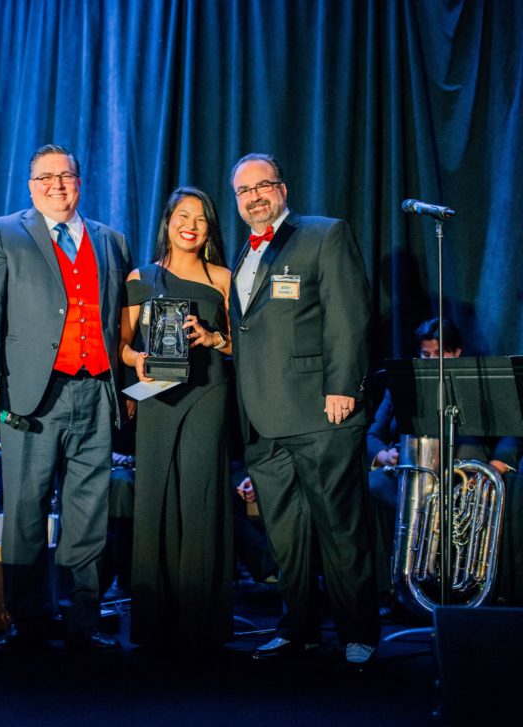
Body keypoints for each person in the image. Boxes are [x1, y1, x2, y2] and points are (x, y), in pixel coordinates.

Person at [0, 144, 132, 653]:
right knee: (25, 507)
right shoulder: (5, 233)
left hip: (96, 392)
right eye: (45, 177)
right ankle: (29, 618)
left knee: (88, 510)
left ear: (80, 182)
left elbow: (121, 321)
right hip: (29, 396)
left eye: (66, 176)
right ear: (30, 184)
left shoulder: (111, 240)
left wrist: (126, 386)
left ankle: (83, 618)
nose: (56, 184)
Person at [228, 153, 380, 669]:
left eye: (263, 186)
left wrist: (344, 387)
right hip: (263, 420)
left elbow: (349, 317)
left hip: (321, 413)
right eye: (244, 191)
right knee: (286, 536)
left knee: (340, 527)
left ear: (283, 189)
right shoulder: (242, 256)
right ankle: (300, 628)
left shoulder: (324, 235)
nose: (254, 197)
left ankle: (360, 631)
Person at [119, 187, 233, 653]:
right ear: (167, 221)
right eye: (182, 215)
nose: (191, 224)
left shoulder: (224, 278)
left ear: (209, 229)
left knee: (200, 500)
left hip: (207, 394)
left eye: (201, 218)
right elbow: (122, 344)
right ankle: (154, 623)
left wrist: (214, 338)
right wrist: (136, 359)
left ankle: (200, 627)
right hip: (155, 397)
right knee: (154, 500)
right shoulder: (140, 277)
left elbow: (242, 346)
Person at [368, 317, 521, 600]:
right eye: (426, 355)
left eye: (440, 355)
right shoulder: (403, 383)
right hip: (414, 477)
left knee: (513, 491)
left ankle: (492, 590)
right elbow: (373, 434)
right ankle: (390, 590)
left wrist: (497, 465)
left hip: (467, 478)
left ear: (457, 352)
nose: (432, 361)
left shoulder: (479, 380)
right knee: (374, 486)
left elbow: (511, 430)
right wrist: (384, 454)